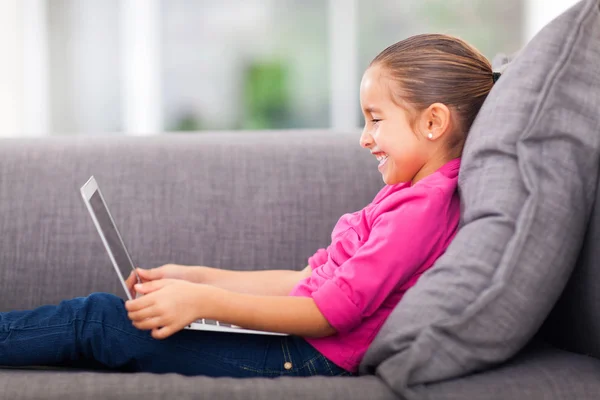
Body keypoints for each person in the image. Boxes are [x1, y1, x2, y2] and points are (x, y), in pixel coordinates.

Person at [0, 34, 498, 377]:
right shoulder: (407, 197)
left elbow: (327, 314)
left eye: (375, 119)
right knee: (106, 325)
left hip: (301, 355)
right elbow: (303, 280)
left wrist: (205, 304)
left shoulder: (420, 212)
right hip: (297, 345)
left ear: (433, 123)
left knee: (100, 321)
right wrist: (197, 279)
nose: (364, 138)